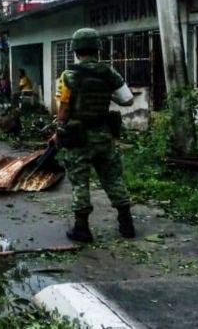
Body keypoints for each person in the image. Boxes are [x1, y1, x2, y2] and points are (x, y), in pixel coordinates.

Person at [50, 28, 135, 243]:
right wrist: (105, 94)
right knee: (113, 178)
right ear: (97, 49)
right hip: (104, 136)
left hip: (78, 138)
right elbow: (128, 100)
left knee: (80, 183)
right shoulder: (109, 73)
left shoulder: (68, 75)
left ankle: (82, 229)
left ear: (76, 51)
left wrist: (58, 132)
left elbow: (65, 108)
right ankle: (126, 224)